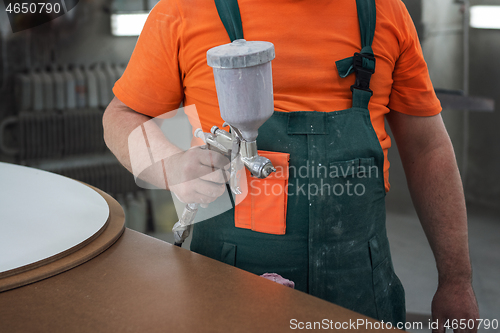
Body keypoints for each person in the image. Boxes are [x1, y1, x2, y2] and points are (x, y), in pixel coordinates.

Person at [103, 0, 479, 330]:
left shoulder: (383, 11)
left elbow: (428, 149)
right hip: (228, 285)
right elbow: (121, 116)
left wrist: (457, 280)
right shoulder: (185, 9)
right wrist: (170, 166)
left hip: (360, 292)